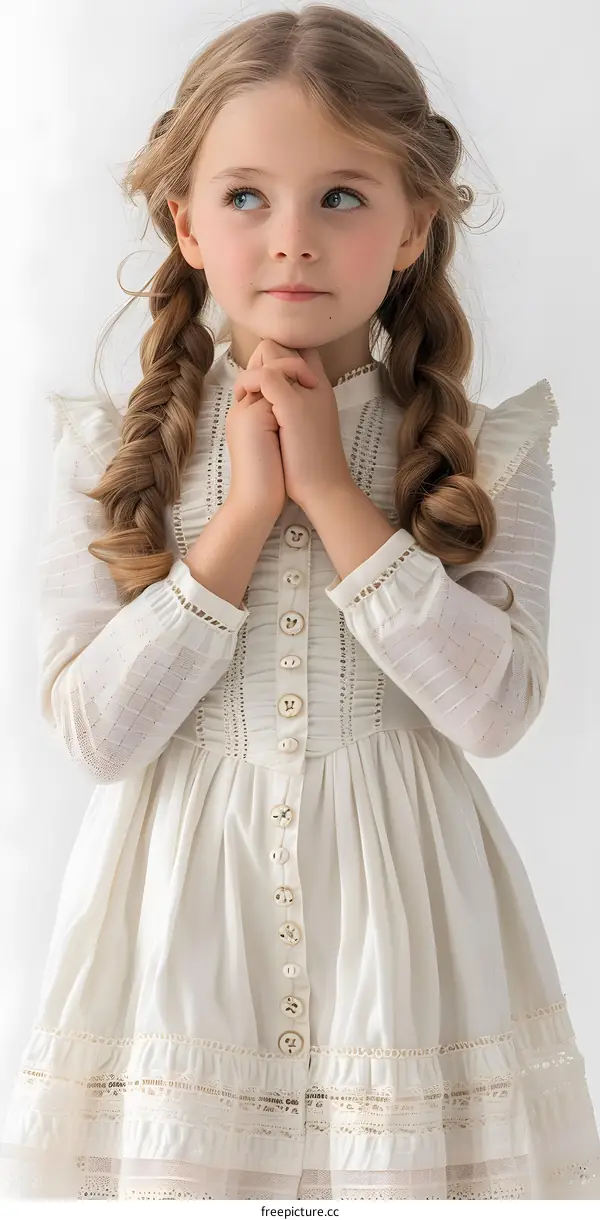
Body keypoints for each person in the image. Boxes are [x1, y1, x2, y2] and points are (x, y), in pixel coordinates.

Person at [1, 3, 598, 1203]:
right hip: (178, 940)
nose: (291, 240)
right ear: (185, 220)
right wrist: (234, 523)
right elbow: (96, 733)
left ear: (414, 223)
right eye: (244, 197)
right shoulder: (106, 448)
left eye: (341, 195)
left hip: (415, 938)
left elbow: (493, 711)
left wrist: (331, 491)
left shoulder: (494, 449)